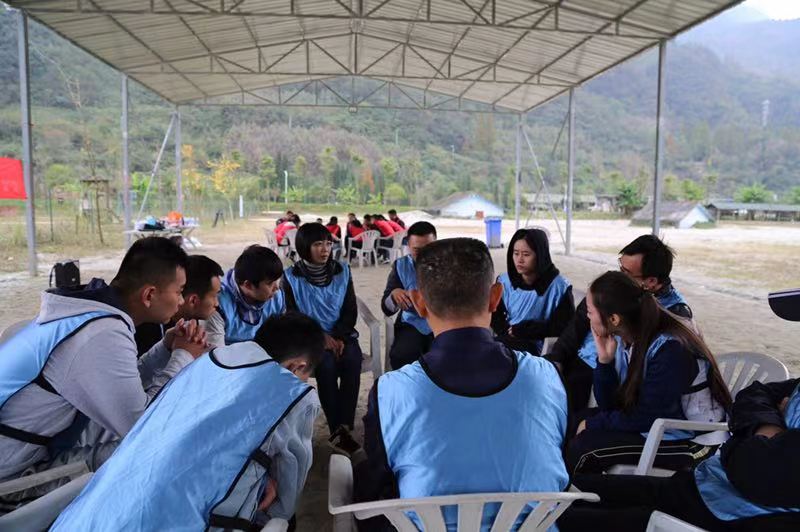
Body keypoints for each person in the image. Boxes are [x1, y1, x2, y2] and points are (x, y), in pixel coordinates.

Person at [354, 238, 569, 530]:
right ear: (496, 297)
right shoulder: (547, 376)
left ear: (419, 303)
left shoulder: (390, 391)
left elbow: (378, 481)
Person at [52, 313, 325, 531]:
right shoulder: (292, 393)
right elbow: (288, 489)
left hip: (87, 515)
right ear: (298, 366)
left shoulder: (206, 362)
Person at [560, 289, 800, 531]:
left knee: (567, 511)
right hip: (702, 484)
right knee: (565, 491)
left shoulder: (671, 347)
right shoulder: (636, 341)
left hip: (727, 512)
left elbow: (750, 465)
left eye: (590, 312)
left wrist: (750, 435)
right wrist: (766, 428)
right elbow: (754, 393)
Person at [0, 237, 207, 490]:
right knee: (155, 446)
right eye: (179, 291)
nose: (181, 301)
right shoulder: (101, 333)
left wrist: (165, 349)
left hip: (35, 445)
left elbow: (119, 387)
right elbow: (144, 425)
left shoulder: (88, 314)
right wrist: (183, 357)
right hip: (14, 475)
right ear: (149, 294)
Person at [566, 271, 731, 475]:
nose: (587, 317)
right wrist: (605, 362)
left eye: (590, 312)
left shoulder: (671, 348)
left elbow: (648, 416)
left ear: (614, 319)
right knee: (570, 422)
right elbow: (611, 405)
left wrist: (593, 424)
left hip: (694, 440)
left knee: (584, 449)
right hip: (653, 425)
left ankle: (566, 493)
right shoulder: (628, 338)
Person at [548, 234, 693, 412]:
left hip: (616, 380)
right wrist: (557, 357)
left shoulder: (674, 318)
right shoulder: (609, 290)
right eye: (620, 268)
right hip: (584, 362)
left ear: (651, 282)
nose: (619, 276)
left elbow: (645, 399)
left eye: (627, 273)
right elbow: (576, 325)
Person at [282, 223, 362, 453]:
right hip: (309, 338)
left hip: (342, 334)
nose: (325, 249)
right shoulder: (291, 277)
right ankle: (337, 430)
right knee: (326, 366)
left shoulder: (342, 271)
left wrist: (339, 336)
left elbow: (350, 310)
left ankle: (345, 424)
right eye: (318, 244)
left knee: (352, 360)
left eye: (328, 243)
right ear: (304, 247)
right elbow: (292, 314)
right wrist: (320, 337)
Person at [491, 228, 574, 356]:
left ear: (540, 255)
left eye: (526, 254)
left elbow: (563, 327)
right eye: (516, 253)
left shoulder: (559, 287)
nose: (519, 260)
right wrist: (506, 332)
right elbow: (494, 315)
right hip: (506, 340)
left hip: (536, 347)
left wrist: (529, 330)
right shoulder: (504, 281)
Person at [135, 254, 223, 355]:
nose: (217, 303)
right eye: (214, 296)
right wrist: (184, 353)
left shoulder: (191, 323)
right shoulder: (148, 326)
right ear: (193, 301)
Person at [381, 221, 437, 369]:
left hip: (444, 324)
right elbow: (386, 308)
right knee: (402, 355)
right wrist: (394, 296)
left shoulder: (449, 265)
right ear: (409, 246)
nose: (423, 255)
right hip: (412, 323)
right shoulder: (401, 266)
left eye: (428, 249)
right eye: (417, 250)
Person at [205, 245, 285, 347]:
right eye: (270, 283)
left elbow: (280, 338)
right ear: (248, 285)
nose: (277, 288)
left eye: (277, 280)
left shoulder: (276, 298)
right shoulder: (216, 306)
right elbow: (216, 353)